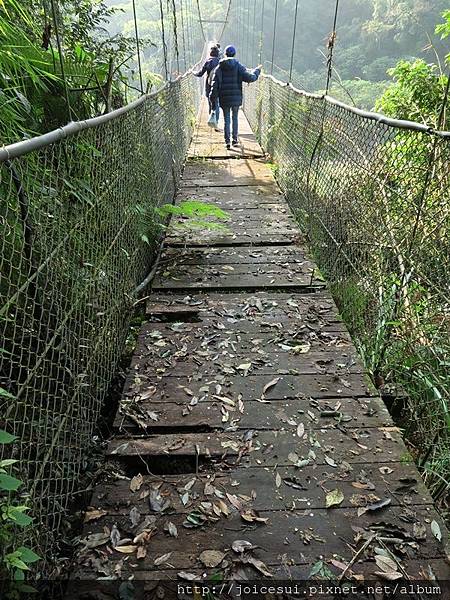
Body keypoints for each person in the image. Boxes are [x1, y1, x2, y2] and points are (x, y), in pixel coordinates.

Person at [209, 45, 261, 149]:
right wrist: (257, 71)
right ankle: (235, 140)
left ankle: (227, 142)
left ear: (225, 54)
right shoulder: (238, 66)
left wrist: (212, 100)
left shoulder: (219, 67)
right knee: (235, 118)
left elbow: (214, 85)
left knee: (226, 119)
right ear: (234, 54)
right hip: (236, 98)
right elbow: (250, 78)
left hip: (224, 98)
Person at [194, 45, 220, 130]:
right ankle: (216, 122)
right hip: (219, 86)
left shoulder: (208, 62)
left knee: (211, 103)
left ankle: (212, 120)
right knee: (217, 103)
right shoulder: (221, 62)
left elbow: (200, 73)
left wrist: (193, 72)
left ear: (210, 53)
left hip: (209, 85)